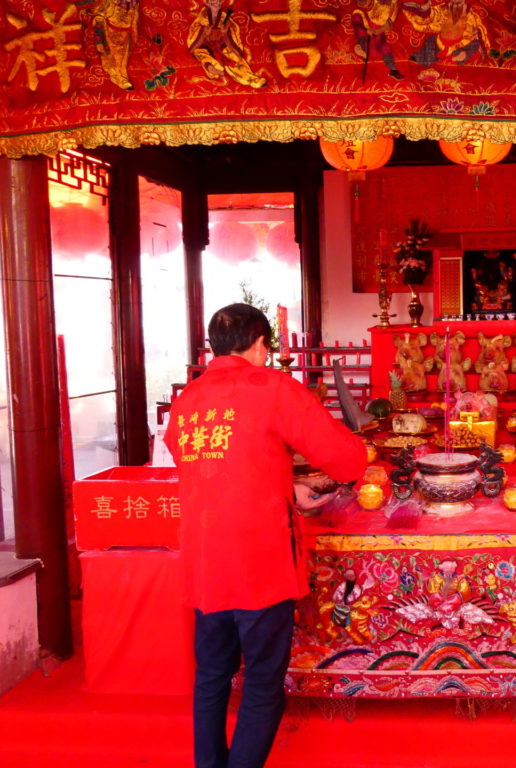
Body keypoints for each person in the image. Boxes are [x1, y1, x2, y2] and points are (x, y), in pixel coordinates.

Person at [164, 303, 367, 768]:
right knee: (261, 684)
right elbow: (344, 459)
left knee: (212, 678)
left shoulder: (189, 399)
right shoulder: (271, 386)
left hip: (204, 564)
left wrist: (283, 485)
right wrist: (362, 452)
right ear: (259, 346)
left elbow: (210, 465)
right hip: (259, 562)